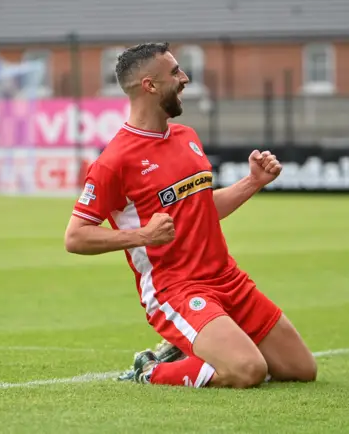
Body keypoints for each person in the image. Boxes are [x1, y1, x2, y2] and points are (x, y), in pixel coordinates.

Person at [64, 42, 317, 388]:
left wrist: (253, 183)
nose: (184, 78)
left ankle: (192, 350)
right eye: (174, 73)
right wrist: (142, 236)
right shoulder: (114, 161)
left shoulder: (187, 136)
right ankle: (150, 369)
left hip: (227, 278)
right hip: (177, 290)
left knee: (301, 370)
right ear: (150, 86)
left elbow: (201, 210)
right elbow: (75, 237)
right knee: (248, 371)